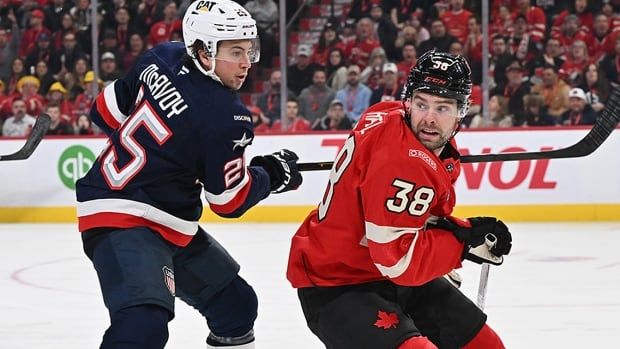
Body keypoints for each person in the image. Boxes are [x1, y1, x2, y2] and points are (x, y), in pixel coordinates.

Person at [75, 1, 303, 348]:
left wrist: (163, 157)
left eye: (250, 49)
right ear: (202, 50)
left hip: (165, 221)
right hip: (124, 219)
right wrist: (272, 173)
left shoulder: (162, 56)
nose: (246, 63)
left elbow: (104, 111)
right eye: (235, 51)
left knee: (237, 307)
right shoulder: (228, 116)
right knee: (143, 324)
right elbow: (229, 201)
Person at [287, 50, 512, 349]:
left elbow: (415, 216)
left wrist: (460, 230)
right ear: (408, 101)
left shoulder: (388, 112)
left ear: (462, 111)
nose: (429, 118)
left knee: (487, 346)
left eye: (442, 108)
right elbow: (398, 262)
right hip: (340, 283)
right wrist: (462, 244)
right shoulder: (405, 162)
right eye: (421, 104)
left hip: (384, 271)